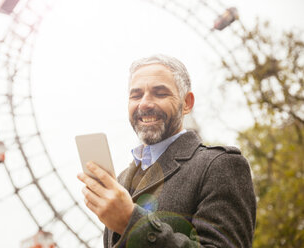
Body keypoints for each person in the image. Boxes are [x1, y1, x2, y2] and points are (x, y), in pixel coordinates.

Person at [77, 54, 256, 247]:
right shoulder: (120, 181)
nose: (144, 103)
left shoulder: (219, 165)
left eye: (160, 93)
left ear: (186, 103)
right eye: (136, 95)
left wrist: (132, 223)